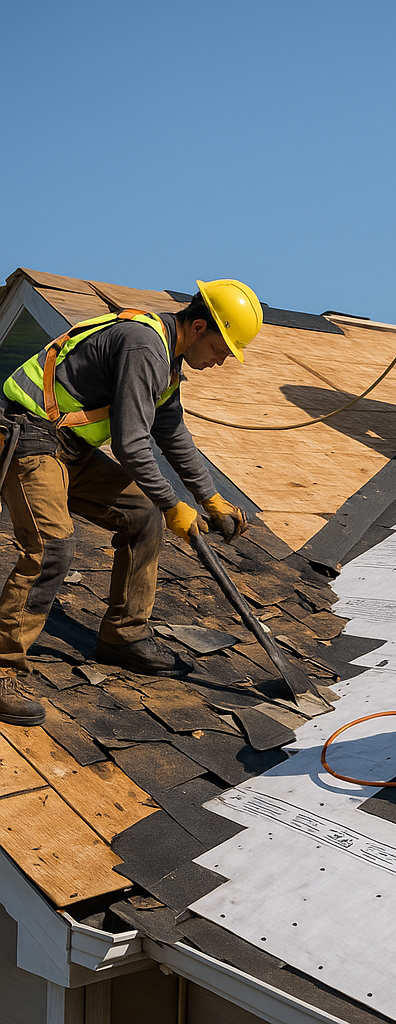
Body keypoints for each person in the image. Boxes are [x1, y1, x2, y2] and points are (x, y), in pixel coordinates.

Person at [0, 279, 263, 727]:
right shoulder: (144, 347)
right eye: (223, 349)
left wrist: (210, 496)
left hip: (69, 450)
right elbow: (132, 443)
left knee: (141, 514)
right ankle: (4, 667)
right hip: (26, 438)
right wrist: (172, 503)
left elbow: (172, 432)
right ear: (199, 327)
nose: (221, 361)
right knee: (53, 546)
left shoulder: (167, 358)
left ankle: (125, 636)